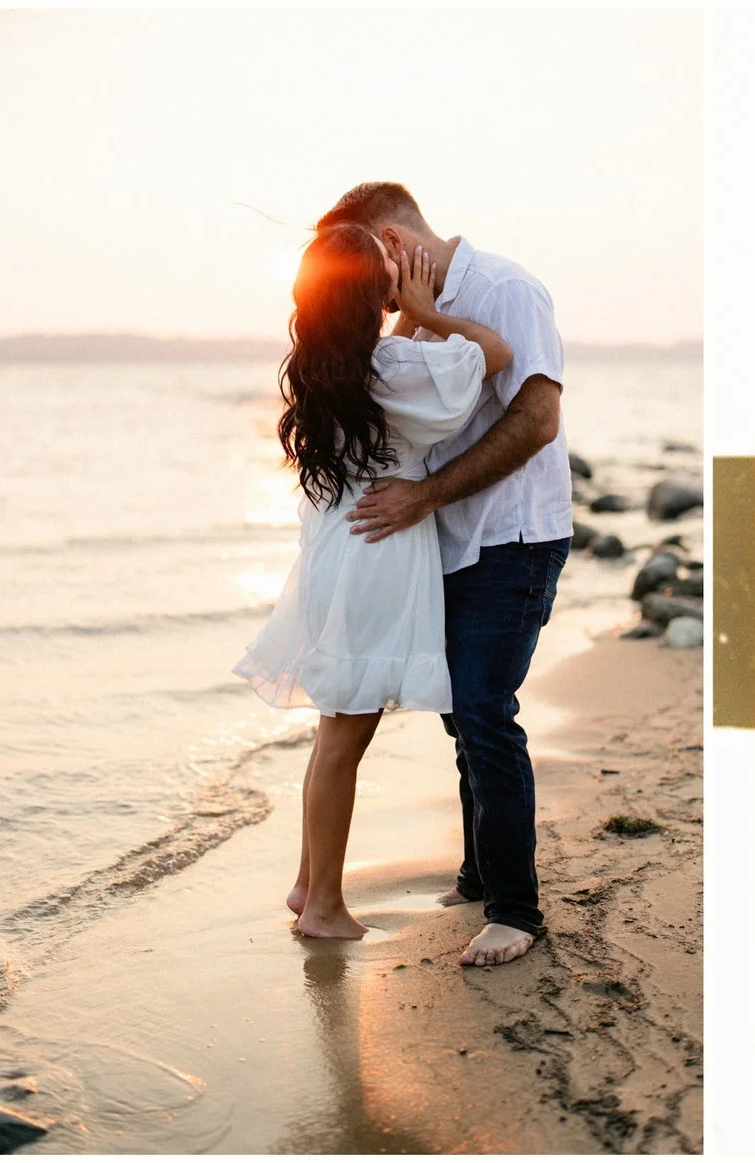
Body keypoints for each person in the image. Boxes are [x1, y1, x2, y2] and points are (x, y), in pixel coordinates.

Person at [317, 182, 574, 968]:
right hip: (442, 543)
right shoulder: (401, 319)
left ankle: (515, 911)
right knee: (460, 717)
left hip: (511, 537)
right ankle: (477, 872)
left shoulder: (505, 291)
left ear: (392, 245)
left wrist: (424, 495)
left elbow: (537, 419)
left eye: (367, 262)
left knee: (485, 712)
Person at [234, 224, 511, 943]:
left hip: (339, 555)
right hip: (376, 555)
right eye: (388, 267)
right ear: (371, 296)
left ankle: (308, 882)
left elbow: (413, 367)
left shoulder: (328, 367)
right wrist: (432, 307)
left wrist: (408, 311)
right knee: (345, 736)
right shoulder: (391, 366)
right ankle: (324, 905)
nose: (401, 269)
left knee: (335, 732)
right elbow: (495, 355)